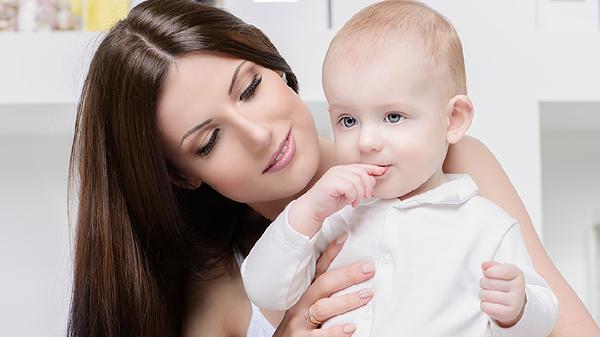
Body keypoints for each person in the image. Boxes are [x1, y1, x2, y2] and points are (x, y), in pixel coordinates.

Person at [66, 1, 599, 337]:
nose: (260, 134)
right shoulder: (222, 291)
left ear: (278, 67)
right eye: (209, 140)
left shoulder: (452, 165)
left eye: (250, 88)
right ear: (183, 175)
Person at [241, 2, 557, 336]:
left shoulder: (486, 225)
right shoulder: (335, 219)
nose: (366, 141)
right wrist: (306, 212)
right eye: (348, 120)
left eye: (393, 117)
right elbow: (265, 290)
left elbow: (544, 320)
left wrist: (518, 310)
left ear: (453, 120)